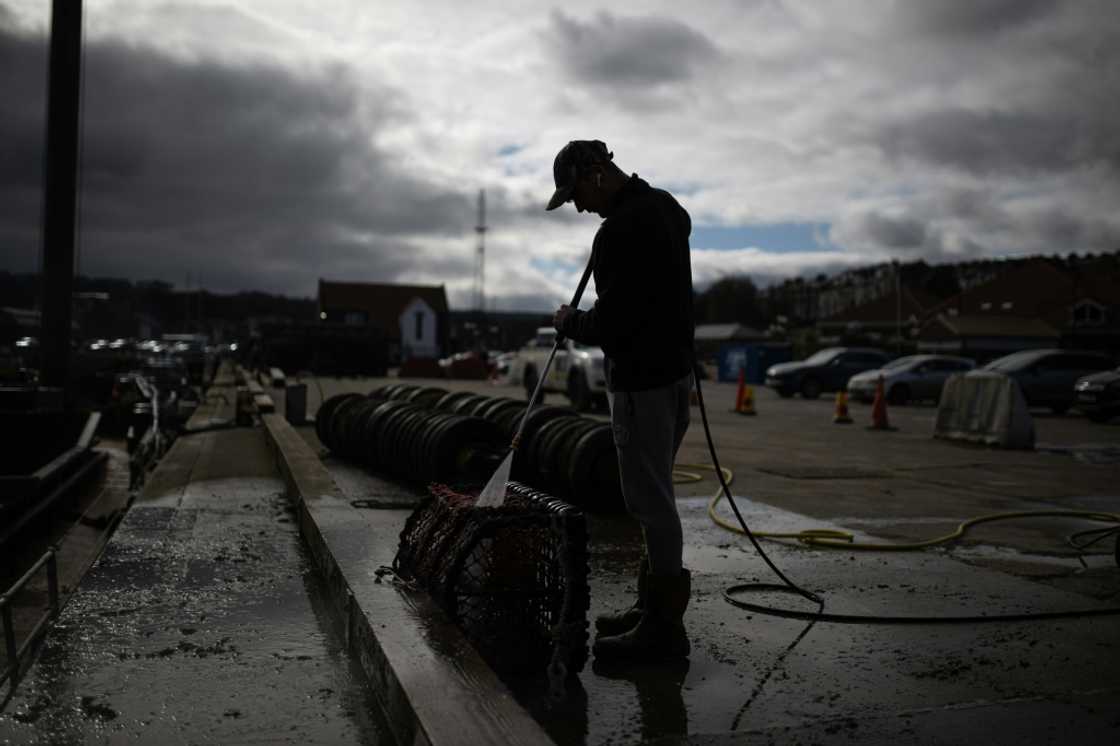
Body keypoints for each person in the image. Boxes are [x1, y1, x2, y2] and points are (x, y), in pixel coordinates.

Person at [547, 139, 695, 662]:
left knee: (649, 503)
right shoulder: (668, 209)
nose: (580, 207)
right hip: (677, 379)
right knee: (657, 496)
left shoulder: (618, 232)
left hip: (641, 384)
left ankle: (662, 632)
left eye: (576, 195)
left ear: (595, 173)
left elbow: (613, 323)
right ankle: (650, 606)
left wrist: (570, 322)